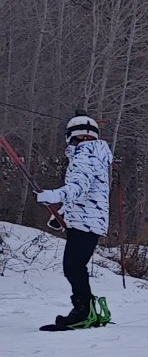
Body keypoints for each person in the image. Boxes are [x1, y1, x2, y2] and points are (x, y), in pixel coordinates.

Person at [36, 112, 113, 330]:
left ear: (70, 137)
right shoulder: (96, 155)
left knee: (73, 267)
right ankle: (85, 309)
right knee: (75, 266)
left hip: (86, 222)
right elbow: (87, 191)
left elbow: (78, 188)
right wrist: (61, 214)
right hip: (87, 219)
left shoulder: (84, 155)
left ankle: (83, 312)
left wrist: (54, 195)